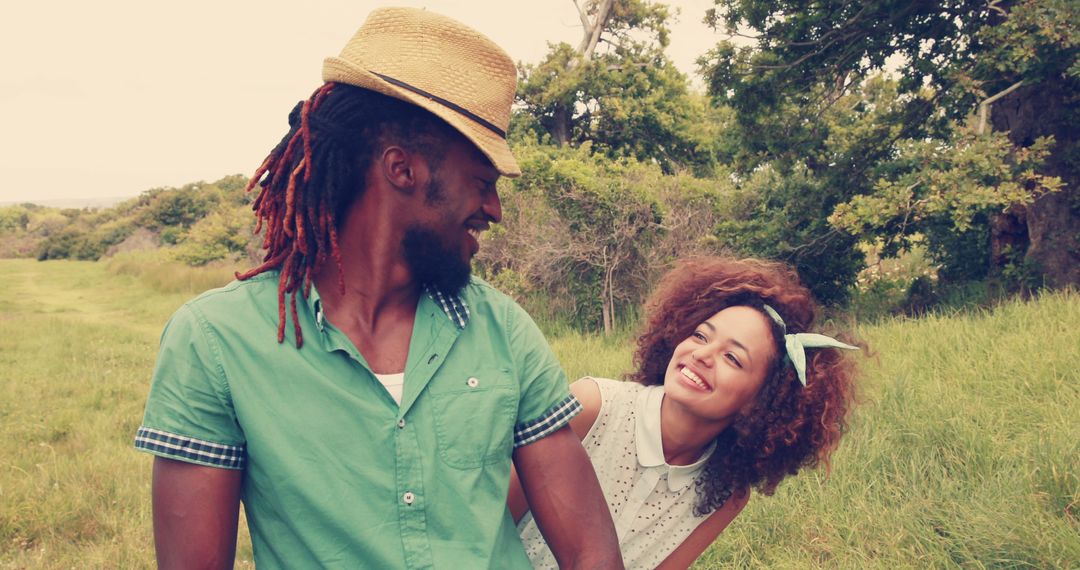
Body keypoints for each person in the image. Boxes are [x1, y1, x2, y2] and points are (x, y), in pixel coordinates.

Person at [133, 8, 622, 569]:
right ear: (401, 169)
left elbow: (592, 552)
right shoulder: (216, 343)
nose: (495, 210)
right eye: (482, 183)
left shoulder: (504, 330)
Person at [509, 257, 860, 568]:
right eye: (701, 335)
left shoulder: (727, 494)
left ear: (761, 400)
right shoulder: (592, 406)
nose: (702, 355)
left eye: (733, 358)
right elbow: (484, 523)